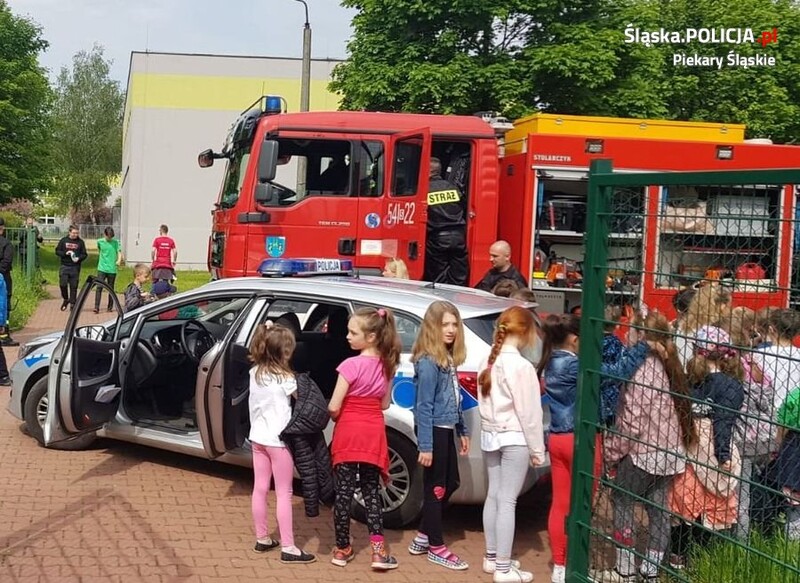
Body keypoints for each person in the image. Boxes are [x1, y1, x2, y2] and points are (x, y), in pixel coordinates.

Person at [538, 314, 651, 583]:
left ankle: (561, 564)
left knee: (560, 504)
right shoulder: (576, 365)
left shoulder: (549, 362)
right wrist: (644, 346)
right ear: (575, 340)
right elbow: (618, 373)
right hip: (583, 439)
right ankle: (578, 561)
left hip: (556, 438)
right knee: (585, 504)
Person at [594, 312, 696, 583]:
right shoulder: (670, 364)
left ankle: (625, 569)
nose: (626, 335)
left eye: (631, 331)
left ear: (641, 335)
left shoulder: (641, 369)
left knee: (622, 501)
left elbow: (632, 420)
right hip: (671, 451)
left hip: (642, 452)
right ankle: (650, 571)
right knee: (658, 509)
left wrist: (612, 452)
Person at [328, 307, 401, 570]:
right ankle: (379, 552)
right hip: (372, 432)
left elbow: (335, 405)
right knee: (371, 492)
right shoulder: (388, 366)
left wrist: (337, 415)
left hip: (349, 430)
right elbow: (383, 404)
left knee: (344, 493)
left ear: (370, 337)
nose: (347, 336)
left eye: (352, 332)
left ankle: (342, 548)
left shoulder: (349, 365)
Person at [477, 306, 545, 583]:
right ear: (527, 332)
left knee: (494, 495)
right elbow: (530, 413)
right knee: (508, 499)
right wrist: (537, 450)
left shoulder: (488, 360)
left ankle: (493, 558)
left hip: (491, 434)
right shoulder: (522, 366)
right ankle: (503, 567)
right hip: (514, 436)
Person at [669, 325, 744, 569]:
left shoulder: (689, 380)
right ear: (725, 354)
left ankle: (677, 555)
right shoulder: (730, 386)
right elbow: (723, 422)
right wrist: (723, 455)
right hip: (712, 447)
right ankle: (700, 559)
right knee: (713, 502)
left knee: (685, 499)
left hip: (687, 444)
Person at [408, 300, 470, 571]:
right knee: (436, 488)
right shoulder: (429, 362)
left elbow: (453, 398)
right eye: (445, 324)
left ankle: (423, 535)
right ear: (432, 327)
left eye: (454, 324)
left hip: (445, 428)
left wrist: (461, 429)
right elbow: (424, 405)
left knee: (451, 482)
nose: (451, 330)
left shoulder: (446, 357)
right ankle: (436, 545)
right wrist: (426, 445)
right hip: (433, 431)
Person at [247, 322, 316, 563]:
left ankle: (262, 537)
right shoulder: (287, 379)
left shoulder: (253, 373)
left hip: (258, 437)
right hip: (279, 441)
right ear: (285, 352)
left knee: (260, 488)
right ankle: (289, 546)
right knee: (284, 493)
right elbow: (304, 401)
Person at [422, 158, 469, 286]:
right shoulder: (454, 188)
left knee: (438, 279)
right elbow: (463, 207)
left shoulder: (423, 190)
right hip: (459, 238)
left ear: (427, 171)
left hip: (438, 239)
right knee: (459, 277)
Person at [54, 225, 88, 311]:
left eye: (77, 233)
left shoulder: (80, 242)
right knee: (63, 284)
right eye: (73, 233)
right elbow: (57, 251)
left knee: (74, 286)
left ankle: (73, 304)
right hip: (65, 266)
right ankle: (66, 299)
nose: (75, 235)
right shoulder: (64, 240)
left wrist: (78, 258)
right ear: (69, 232)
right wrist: (65, 253)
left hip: (75, 267)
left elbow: (84, 254)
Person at [94, 227, 123, 313]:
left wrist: (118, 260)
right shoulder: (100, 242)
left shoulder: (116, 242)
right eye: (108, 237)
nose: (110, 239)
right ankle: (96, 307)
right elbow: (100, 251)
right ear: (105, 234)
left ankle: (109, 307)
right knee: (99, 287)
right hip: (102, 268)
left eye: (111, 237)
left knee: (111, 288)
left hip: (112, 269)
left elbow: (119, 252)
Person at [0, 219, 16, 346]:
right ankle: (4, 336)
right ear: (2, 228)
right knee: (4, 306)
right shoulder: (6, 244)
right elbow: (6, 262)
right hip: (3, 278)